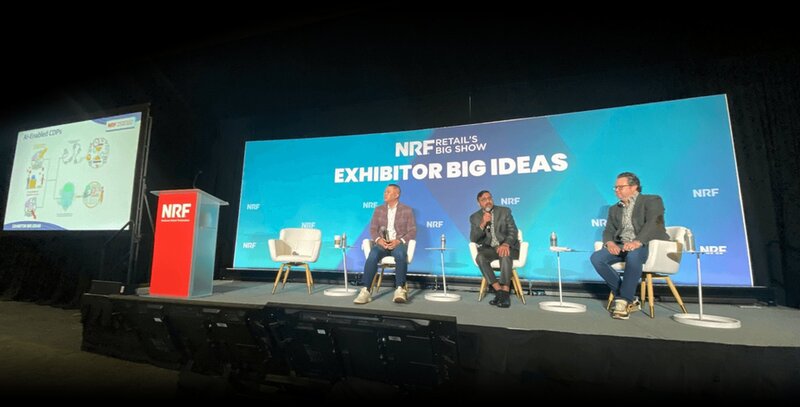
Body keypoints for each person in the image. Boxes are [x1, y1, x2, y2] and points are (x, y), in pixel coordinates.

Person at [590, 172, 668, 320]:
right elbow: (608, 230)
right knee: (597, 258)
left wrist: (637, 242)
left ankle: (624, 301)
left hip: (647, 244)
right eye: (615, 188)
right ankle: (627, 297)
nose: (616, 190)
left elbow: (654, 223)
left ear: (634, 187)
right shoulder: (614, 209)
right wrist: (610, 243)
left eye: (621, 187)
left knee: (633, 255)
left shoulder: (652, 200)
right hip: (622, 245)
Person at [354, 184, 417, 304]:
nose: (385, 194)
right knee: (372, 255)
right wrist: (379, 240)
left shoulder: (407, 210)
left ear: (396, 195)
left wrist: (399, 241)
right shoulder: (379, 209)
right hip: (382, 244)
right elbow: (373, 229)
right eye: (385, 192)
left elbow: (412, 231)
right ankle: (366, 290)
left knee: (400, 255)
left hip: (397, 243)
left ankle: (400, 289)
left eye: (388, 192)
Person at [469, 190, 520, 308]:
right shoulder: (474, 217)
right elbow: (473, 238)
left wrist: (506, 244)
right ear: (478, 203)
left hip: (508, 247)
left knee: (504, 253)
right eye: (484, 200)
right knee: (480, 257)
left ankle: (505, 292)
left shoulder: (504, 211)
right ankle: (499, 291)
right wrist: (483, 223)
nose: (488, 201)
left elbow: (513, 231)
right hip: (490, 249)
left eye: (489, 198)